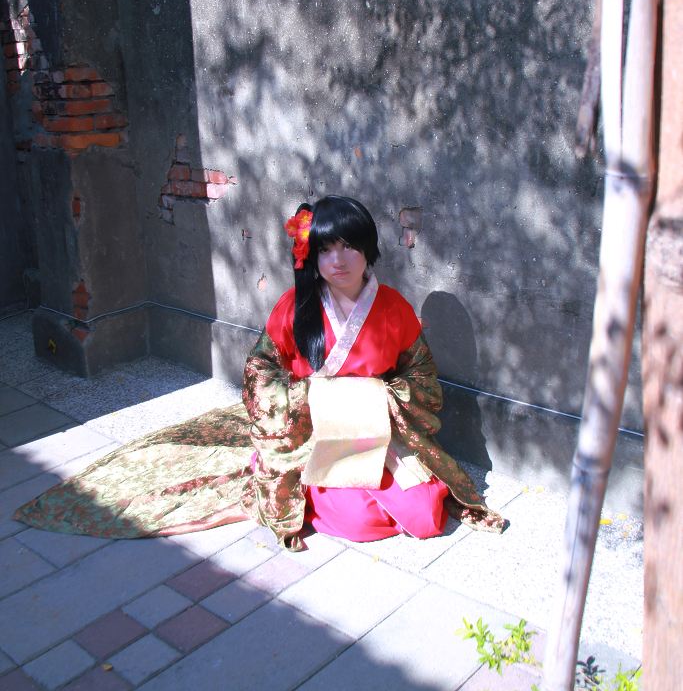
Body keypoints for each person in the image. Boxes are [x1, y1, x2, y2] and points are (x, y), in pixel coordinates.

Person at [14, 195, 503, 548]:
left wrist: (378, 399)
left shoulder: (393, 309)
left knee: (424, 516)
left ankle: (348, 492)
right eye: (326, 249)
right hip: (312, 432)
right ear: (311, 255)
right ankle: (307, 489)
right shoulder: (296, 307)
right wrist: (306, 401)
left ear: (369, 250)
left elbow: (423, 381)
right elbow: (260, 371)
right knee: (360, 524)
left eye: (351, 246)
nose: (339, 260)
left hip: (376, 431)